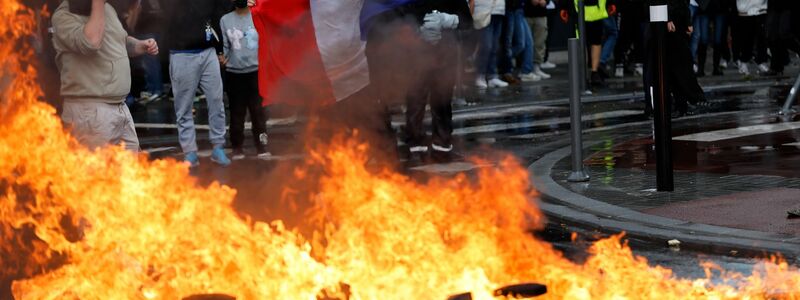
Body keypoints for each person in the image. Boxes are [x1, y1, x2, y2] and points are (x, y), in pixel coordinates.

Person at [52, 0, 158, 152]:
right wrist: (98, 3)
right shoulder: (63, 17)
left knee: (131, 172)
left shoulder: (105, 8)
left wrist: (139, 45)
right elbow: (91, 42)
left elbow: (120, 39)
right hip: (90, 112)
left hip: (120, 108)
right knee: (95, 173)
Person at [164, 0, 232, 167]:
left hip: (208, 52)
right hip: (182, 54)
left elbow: (217, 14)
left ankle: (218, 147)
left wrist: (220, 49)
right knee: (184, 107)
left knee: (217, 101)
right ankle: (190, 152)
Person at [221, 0, 269, 160]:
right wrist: (221, 56)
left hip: (256, 72)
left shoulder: (257, 14)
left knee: (258, 113)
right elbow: (224, 47)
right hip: (234, 74)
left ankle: (262, 147)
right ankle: (237, 148)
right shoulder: (225, 20)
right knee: (236, 114)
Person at [642, 0, 705, 117]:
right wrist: (668, 18)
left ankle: (678, 103)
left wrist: (686, 20)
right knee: (661, 65)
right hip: (662, 20)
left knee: (675, 64)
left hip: (671, 20)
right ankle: (658, 105)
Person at [561, 0, 610, 87]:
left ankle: (593, 73)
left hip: (593, 13)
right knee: (586, 44)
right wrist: (564, 7)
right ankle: (588, 74)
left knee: (594, 42)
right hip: (582, 12)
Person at [500, 0, 539, 83]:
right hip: (511, 9)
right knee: (515, 43)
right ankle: (503, 65)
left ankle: (525, 70)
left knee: (524, 43)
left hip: (518, 8)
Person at [473, 0, 509, 88]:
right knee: (486, 46)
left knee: (494, 46)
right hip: (483, 10)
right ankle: (480, 75)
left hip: (498, 11)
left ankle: (492, 75)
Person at [763, 0, 800, 76]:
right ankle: (776, 67)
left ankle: (777, 66)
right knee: (773, 35)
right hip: (775, 6)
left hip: (788, 7)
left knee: (784, 34)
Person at [731, 0, 767, 76]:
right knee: (746, 38)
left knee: (761, 37)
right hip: (745, 10)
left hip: (761, 9)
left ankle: (761, 61)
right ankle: (744, 61)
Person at [525, 0, 552, 79]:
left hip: (541, 13)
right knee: (527, 43)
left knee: (539, 42)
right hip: (526, 13)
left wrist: (545, 1)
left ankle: (536, 67)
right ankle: (526, 69)